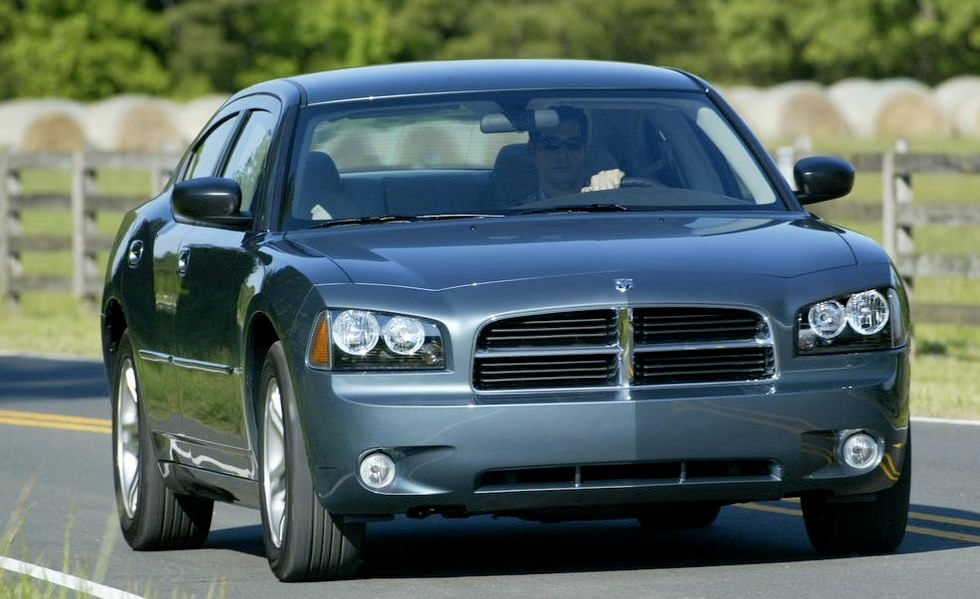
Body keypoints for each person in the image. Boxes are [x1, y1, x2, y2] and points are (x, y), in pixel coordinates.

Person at [525, 106, 624, 202]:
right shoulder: (517, 215)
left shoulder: (611, 202)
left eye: (572, 144)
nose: (562, 156)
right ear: (532, 149)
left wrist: (619, 187)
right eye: (551, 144)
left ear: (584, 150)